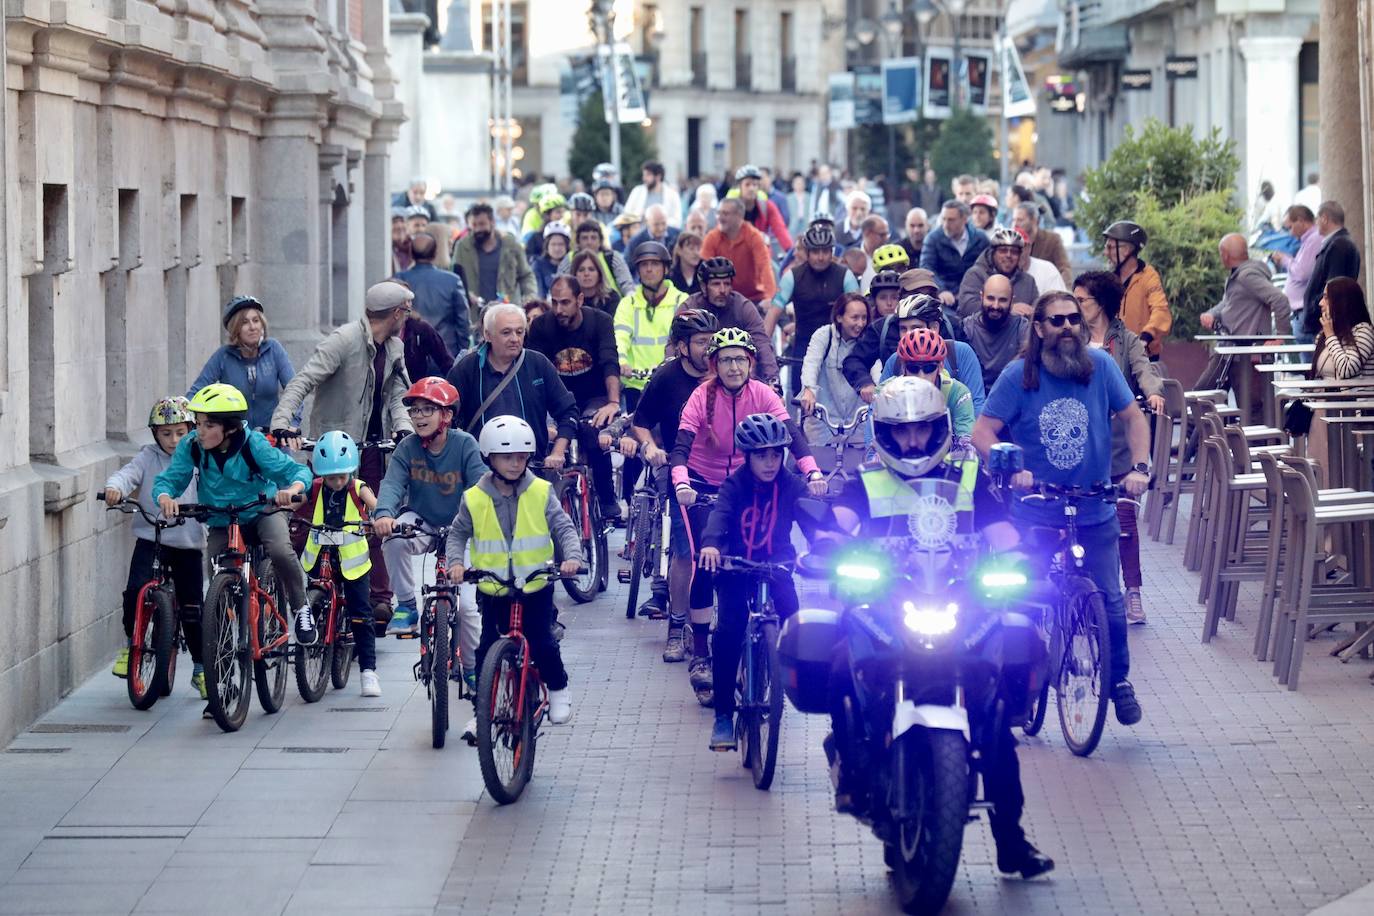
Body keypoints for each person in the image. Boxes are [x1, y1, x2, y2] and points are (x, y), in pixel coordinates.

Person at [825, 375, 1053, 879]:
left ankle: (1010, 841)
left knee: (995, 725)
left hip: (960, 609)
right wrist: (831, 538)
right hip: (885, 610)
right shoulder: (866, 480)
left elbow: (1001, 529)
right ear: (884, 433)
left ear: (940, 429)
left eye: (924, 431)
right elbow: (839, 517)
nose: (912, 441)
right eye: (902, 432)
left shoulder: (968, 478)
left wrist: (1020, 553)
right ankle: (853, 765)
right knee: (838, 664)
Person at [972, 290, 1152, 728]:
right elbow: (982, 431)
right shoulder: (1020, 376)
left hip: (1095, 504)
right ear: (1039, 328)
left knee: (1109, 600)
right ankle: (1019, 682)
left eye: (1075, 319)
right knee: (1022, 600)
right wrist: (1009, 465)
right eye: (1057, 321)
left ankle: (1119, 682)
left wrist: (1141, 468)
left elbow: (1133, 417)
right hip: (1036, 509)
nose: (1068, 327)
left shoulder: (1102, 366)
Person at [670, 329, 826, 701]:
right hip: (704, 485)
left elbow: (793, 436)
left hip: (751, 479)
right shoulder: (700, 396)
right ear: (715, 365)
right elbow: (680, 446)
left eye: (741, 359)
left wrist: (813, 472)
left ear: (751, 363)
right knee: (705, 565)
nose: (734, 366)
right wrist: (680, 485)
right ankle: (703, 654)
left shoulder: (763, 394)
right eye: (726, 360)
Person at [272, 280, 415, 620]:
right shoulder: (345, 340)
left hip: (371, 449)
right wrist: (282, 421)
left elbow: (397, 396)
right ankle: (299, 590)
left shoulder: (393, 348)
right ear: (396, 313)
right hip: (333, 449)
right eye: (405, 313)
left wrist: (404, 428)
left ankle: (379, 599)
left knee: (374, 519)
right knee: (308, 522)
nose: (406, 319)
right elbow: (303, 380)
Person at [154, 383, 313, 654]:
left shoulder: (254, 445)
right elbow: (170, 480)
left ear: (229, 428)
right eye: (198, 423)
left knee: (279, 550)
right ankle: (226, 636)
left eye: (207, 425)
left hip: (261, 510)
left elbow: (295, 472)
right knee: (216, 570)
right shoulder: (192, 447)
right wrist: (165, 497)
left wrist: (292, 491)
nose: (199, 431)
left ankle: (301, 608)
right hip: (221, 517)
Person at [448, 415, 584, 726]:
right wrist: (456, 563)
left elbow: (563, 528)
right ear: (489, 457)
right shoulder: (474, 498)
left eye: (521, 457)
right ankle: (482, 713)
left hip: (535, 583)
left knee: (542, 642)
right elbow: (457, 534)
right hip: (494, 588)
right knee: (485, 652)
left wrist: (572, 557)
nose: (514, 464)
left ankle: (559, 688)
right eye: (507, 457)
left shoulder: (540, 490)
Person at [698, 413, 814, 750]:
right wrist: (710, 544)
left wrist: (826, 545)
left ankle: (787, 682)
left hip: (777, 565)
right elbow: (719, 517)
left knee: (793, 617)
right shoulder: (734, 486)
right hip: (736, 567)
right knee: (729, 631)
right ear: (747, 456)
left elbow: (811, 518)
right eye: (761, 455)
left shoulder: (791, 484)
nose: (770, 462)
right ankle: (723, 715)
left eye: (776, 454)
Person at [624, 308, 720, 645]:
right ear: (682, 347)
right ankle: (677, 627)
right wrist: (650, 448)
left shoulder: (724, 372)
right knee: (685, 551)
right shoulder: (666, 377)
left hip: (723, 474)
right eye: (701, 342)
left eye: (712, 341)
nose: (709, 349)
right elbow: (641, 421)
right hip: (683, 471)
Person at [1075, 271, 1164, 625]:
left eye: (1083, 300)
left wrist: (1154, 391)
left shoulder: (1126, 340)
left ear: (1102, 304)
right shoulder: (1072, 338)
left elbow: (1145, 369)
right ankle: (1091, 593)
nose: (1076, 306)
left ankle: (1134, 592)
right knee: (1084, 523)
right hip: (1082, 449)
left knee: (1124, 520)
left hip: (1119, 447)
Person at [104, 397, 207, 694]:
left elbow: (213, 486)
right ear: (154, 435)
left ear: (191, 429)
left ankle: (200, 667)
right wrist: (115, 488)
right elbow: (128, 474)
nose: (173, 440)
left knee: (192, 609)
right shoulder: (148, 456)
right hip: (153, 537)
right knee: (135, 590)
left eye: (180, 432)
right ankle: (131, 643)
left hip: (188, 543)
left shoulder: (200, 457)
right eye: (165, 433)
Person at [528, 274, 623, 520]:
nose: (559, 309)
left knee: (593, 432)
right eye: (555, 302)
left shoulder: (600, 321)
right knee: (540, 439)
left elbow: (609, 362)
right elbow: (535, 371)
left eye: (565, 302)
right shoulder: (541, 326)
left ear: (580, 299)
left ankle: (607, 497)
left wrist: (613, 402)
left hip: (594, 396)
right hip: (556, 398)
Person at [294, 431, 381, 694]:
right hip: (321, 556)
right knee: (312, 603)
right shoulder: (318, 486)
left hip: (353, 563)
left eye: (342, 476)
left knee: (361, 615)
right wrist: (286, 502)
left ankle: (368, 672)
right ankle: (315, 629)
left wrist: (380, 517)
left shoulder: (358, 487)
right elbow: (299, 502)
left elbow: (375, 505)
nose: (337, 481)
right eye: (331, 477)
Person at [447, 302, 580, 465]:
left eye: (520, 332)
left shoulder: (538, 364)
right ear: (487, 335)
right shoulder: (467, 368)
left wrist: (557, 453)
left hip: (532, 466)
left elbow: (568, 411)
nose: (515, 339)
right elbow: (446, 416)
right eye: (506, 332)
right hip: (480, 469)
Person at [1198, 234, 1292, 419]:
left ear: (1225, 255)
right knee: (1206, 397)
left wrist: (1280, 337)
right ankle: (1208, 442)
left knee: (1249, 408)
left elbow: (1280, 300)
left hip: (1245, 356)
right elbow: (1228, 303)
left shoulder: (1247, 275)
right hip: (1231, 352)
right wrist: (1212, 314)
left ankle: (1251, 447)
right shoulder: (1239, 275)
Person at [765, 223, 859, 394]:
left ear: (832, 252)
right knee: (801, 399)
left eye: (825, 251)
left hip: (838, 347)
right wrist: (763, 347)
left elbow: (859, 311)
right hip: (803, 346)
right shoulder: (792, 276)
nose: (821, 257)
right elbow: (774, 311)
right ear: (807, 252)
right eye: (816, 252)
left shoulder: (845, 275)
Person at [188, 296, 298, 433]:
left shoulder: (273, 349)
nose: (252, 327)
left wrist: (290, 423)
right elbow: (196, 392)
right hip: (237, 437)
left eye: (256, 321)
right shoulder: (223, 356)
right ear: (235, 328)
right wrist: (187, 422)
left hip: (272, 435)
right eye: (245, 322)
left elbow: (295, 389)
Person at [799, 292, 870, 471]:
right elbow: (811, 362)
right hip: (823, 419)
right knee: (821, 469)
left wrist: (877, 392)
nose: (860, 323)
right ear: (839, 317)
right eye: (854, 317)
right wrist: (808, 389)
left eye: (864, 318)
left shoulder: (868, 338)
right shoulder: (824, 335)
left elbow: (876, 366)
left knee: (857, 471)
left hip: (857, 420)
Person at [683, 257, 781, 381]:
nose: (723, 290)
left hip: (738, 378)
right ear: (703, 287)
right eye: (716, 284)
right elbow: (675, 344)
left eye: (727, 284)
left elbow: (762, 343)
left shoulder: (743, 306)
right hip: (698, 377)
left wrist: (772, 378)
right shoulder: (690, 306)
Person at [880, 328, 976, 443]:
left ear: (940, 366)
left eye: (929, 368)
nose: (921, 377)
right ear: (903, 367)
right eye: (913, 368)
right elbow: (874, 440)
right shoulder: (886, 392)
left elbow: (966, 438)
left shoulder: (957, 392)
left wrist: (966, 446)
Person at [1102, 220, 1171, 360]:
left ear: (1126, 250)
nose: (1105, 253)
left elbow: (1161, 311)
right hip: (1114, 354)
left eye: (1109, 247)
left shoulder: (1148, 277)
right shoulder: (1109, 280)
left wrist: (1146, 336)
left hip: (1143, 355)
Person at [395, 231, 471, 356]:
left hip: (409, 353)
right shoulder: (452, 280)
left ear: (411, 254)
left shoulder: (400, 279)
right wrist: (462, 352)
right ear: (435, 253)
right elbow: (463, 321)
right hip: (446, 352)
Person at [452, 202, 536, 310]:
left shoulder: (511, 245)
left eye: (482, 224)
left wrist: (529, 297)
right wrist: (467, 294)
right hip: (474, 314)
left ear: (492, 222)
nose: (477, 229)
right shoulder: (463, 247)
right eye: (474, 225)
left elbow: (526, 275)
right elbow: (454, 277)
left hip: (506, 311)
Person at [1300, 201, 1364, 343]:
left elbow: (1333, 289)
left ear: (1325, 218)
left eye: (1317, 218)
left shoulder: (1338, 245)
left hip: (1326, 324)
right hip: (1323, 323)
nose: (1316, 223)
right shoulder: (1338, 243)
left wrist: (1313, 309)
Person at [700, 198, 777, 307]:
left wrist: (770, 298)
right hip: (722, 298)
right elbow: (703, 271)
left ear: (739, 216)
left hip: (753, 298)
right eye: (718, 213)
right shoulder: (712, 237)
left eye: (725, 214)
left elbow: (764, 267)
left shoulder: (754, 236)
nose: (719, 218)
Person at [963, 274, 1031, 392]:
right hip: (975, 394)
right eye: (990, 298)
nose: (995, 306)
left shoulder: (1022, 327)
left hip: (1011, 392)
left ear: (1012, 301)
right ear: (981, 297)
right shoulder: (967, 328)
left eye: (1003, 300)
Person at [957, 226, 1039, 319]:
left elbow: (1037, 310)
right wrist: (1009, 309)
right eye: (1003, 250)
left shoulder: (1028, 281)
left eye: (1014, 252)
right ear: (993, 253)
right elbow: (967, 307)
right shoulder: (975, 274)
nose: (1008, 255)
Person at [921, 200, 990, 302]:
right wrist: (941, 290)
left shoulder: (980, 239)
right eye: (943, 219)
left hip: (974, 295)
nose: (945, 225)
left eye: (951, 220)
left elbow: (989, 267)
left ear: (964, 219)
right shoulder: (932, 239)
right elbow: (926, 268)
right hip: (944, 297)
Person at [1271, 205, 1321, 338]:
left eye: (1290, 227)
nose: (1290, 233)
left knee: (1308, 357)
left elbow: (1302, 273)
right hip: (1301, 311)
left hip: (1305, 310)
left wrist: (1285, 259)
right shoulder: (1308, 240)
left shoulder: (1314, 239)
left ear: (1300, 220)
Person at [1311, 277, 1374, 379]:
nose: (1321, 303)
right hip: (1325, 393)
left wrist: (1330, 336)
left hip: (1354, 394)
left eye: (1326, 298)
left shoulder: (1363, 332)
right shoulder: (1327, 332)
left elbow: (1347, 370)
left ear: (1342, 302)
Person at [560, 219, 634, 298]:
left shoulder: (612, 257)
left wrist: (630, 297)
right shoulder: (570, 258)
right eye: (585, 238)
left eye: (593, 238)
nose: (589, 242)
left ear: (600, 241)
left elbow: (626, 284)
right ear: (578, 241)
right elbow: (560, 285)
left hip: (611, 304)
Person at [730, 164, 793, 251]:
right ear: (739, 187)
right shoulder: (730, 208)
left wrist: (791, 251)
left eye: (755, 185)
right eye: (747, 184)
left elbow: (781, 230)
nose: (751, 188)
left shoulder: (767, 206)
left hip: (760, 253)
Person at [1012, 202, 1071, 287]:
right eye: (1014, 220)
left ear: (1034, 220)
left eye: (1020, 220)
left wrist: (1065, 294)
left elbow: (1064, 268)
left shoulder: (1052, 240)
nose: (1015, 224)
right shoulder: (1012, 241)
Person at [399, 310, 453, 384]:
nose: (407, 304)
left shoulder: (420, 329)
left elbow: (447, 362)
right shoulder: (381, 333)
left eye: (409, 301)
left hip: (417, 390)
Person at [625, 160, 682, 229]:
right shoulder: (637, 191)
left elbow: (677, 221)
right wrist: (639, 216)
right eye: (644, 175)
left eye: (648, 175)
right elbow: (626, 214)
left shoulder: (672, 195)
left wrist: (658, 220)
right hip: (640, 234)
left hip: (664, 235)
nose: (644, 178)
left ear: (658, 176)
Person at [625, 204, 681, 274]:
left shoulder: (677, 235)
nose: (660, 228)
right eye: (656, 224)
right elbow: (628, 269)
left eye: (663, 223)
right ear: (647, 222)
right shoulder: (635, 242)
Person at [570, 248, 622, 315]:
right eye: (581, 270)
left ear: (599, 274)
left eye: (591, 269)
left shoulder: (612, 297)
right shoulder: (568, 299)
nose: (586, 274)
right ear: (574, 274)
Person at [533, 221, 571, 298]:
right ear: (547, 246)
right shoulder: (538, 265)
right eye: (553, 244)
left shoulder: (572, 263)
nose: (557, 249)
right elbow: (539, 293)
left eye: (561, 244)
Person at [668, 229, 704, 296]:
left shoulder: (705, 274)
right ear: (679, 250)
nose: (696, 253)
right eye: (691, 248)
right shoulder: (670, 276)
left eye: (698, 249)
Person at [785, 172, 810, 240]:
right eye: (797, 184)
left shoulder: (809, 197)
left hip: (805, 223)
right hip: (793, 224)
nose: (799, 185)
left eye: (801, 183)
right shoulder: (789, 197)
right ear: (793, 185)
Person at [391, 208, 413, 273]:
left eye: (402, 221)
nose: (399, 226)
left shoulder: (415, 247)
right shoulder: (386, 250)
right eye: (394, 222)